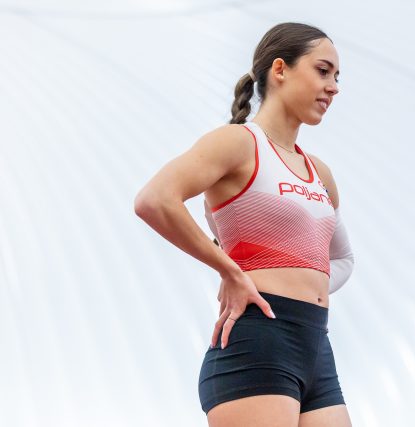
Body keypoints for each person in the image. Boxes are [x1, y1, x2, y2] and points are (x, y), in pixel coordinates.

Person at [134, 22, 355, 426]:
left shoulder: (319, 173)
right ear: (280, 69)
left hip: (315, 346)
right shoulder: (237, 143)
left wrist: (304, 289)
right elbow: (155, 200)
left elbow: (342, 260)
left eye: (337, 77)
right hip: (257, 344)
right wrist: (231, 271)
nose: (334, 87)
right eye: (323, 71)